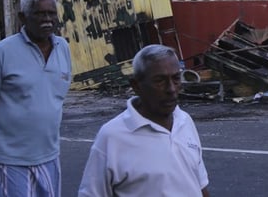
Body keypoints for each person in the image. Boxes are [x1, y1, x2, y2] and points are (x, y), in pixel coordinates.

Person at [0, 0, 72, 196]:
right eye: (40, 14)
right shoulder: (2, 52)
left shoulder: (63, 48)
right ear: (23, 17)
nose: (48, 20)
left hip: (50, 156)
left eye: (51, 14)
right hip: (12, 160)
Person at [78, 44, 210, 197]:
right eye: (160, 81)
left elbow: (199, 184)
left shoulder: (184, 121)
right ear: (136, 85)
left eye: (175, 78)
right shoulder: (112, 136)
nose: (171, 89)